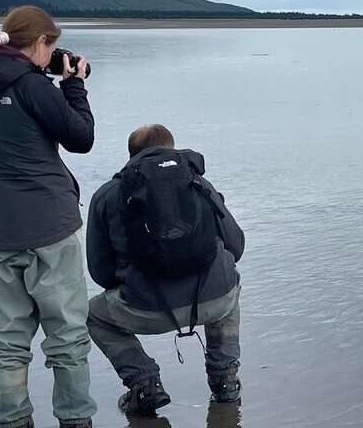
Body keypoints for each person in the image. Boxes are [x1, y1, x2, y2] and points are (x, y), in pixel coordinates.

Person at [86, 124, 245, 416]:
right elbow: (236, 246)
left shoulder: (108, 194)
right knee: (229, 282)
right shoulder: (199, 183)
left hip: (147, 309)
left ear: (131, 155)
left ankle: (144, 382)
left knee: (91, 315)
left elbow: (101, 272)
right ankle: (225, 379)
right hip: (213, 302)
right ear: (171, 149)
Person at [0, 6, 97, 428]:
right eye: (51, 47)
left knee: (5, 341)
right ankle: (75, 420)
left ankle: (11, 421)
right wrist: (73, 85)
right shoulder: (33, 86)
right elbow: (80, 138)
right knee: (68, 336)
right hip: (49, 227)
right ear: (40, 44)